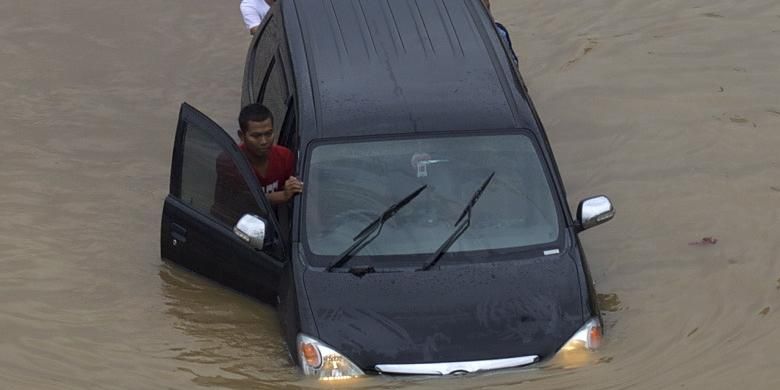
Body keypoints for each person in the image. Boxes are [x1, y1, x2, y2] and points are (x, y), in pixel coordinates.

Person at [234, 103, 303, 206]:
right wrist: (282, 196)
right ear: (241, 136)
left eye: (268, 134)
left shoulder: (285, 157)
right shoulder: (231, 161)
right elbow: (239, 201)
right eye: (256, 136)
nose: (264, 141)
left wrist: (293, 187)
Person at [481, 0, 519, 66]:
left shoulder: (501, 32)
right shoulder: (500, 32)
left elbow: (514, 61)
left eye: (488, 8)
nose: (491, 16)